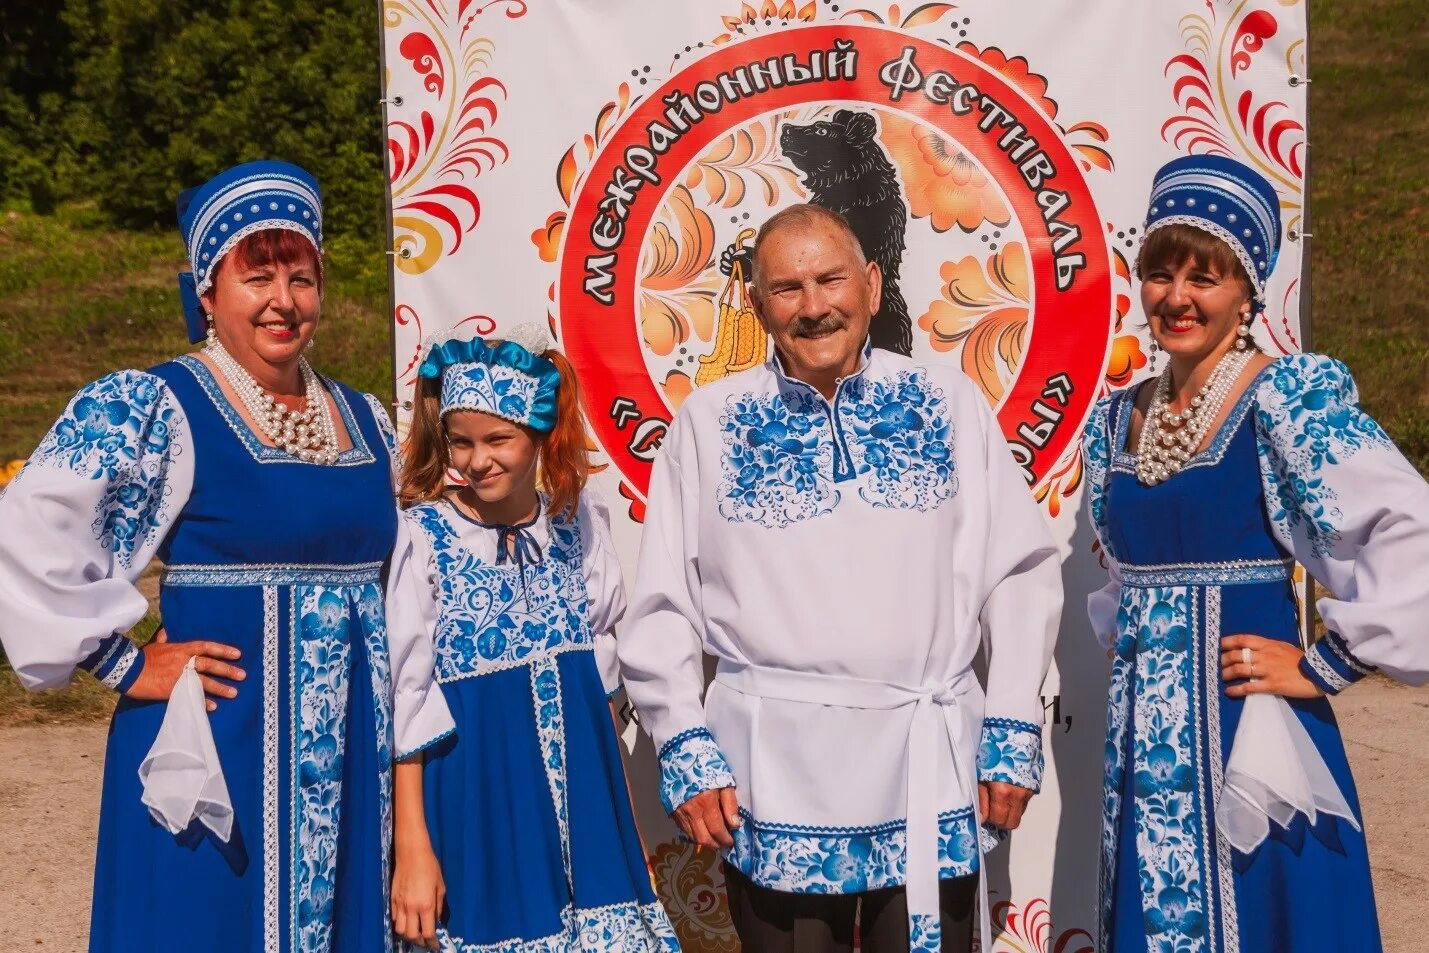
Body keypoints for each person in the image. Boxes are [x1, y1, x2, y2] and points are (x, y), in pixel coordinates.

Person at [617, 203, 1062, 953]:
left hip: (930, 763)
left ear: (873, 284)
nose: (814, 306)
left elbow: (1019, 572)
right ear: (755, 302)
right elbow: (662, 607)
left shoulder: (949, 404)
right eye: (787, 287)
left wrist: (1012, 722)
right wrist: (684, 741)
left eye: (831, 279)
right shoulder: (708, 421)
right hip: (775, 773)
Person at [0, 161, 404, 950]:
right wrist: (120, 662)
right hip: (220, 747)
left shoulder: (367, 419)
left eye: (301, 276)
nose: (283, 300)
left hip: (356, 747)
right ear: (208, 292)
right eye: (256, 276)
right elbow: (27, 526)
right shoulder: (162, 407)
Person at [1081, 154, 1429, 953]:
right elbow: (1118, 585)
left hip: (1250, 733)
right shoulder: (1116, 419)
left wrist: (1324, 663)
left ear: (1246, 289)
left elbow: (1407, 520)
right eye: (1160, 273)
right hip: (1146, 743)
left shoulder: (1285, 398)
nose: (1176, 297)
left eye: (1203, 277)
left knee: (1270, 918)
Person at [384, 324, 679, 952]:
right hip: (480, 793)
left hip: (585, 802)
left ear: (538, 436)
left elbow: (599, 699)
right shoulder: (422, 539)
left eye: (499, 438)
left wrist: (621, 822)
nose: (476, 458)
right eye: (460, 442)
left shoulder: (579, 524)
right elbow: (406, 699)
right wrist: (412, 845)